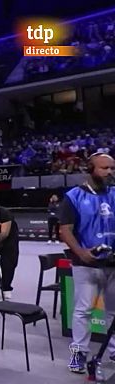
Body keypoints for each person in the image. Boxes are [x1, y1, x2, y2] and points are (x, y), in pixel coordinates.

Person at [59, 153, 115, 374]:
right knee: (83, 312)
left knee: (114, 311)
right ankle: (77, 356)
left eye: (112, 168)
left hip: (112, 265)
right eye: (105, 168)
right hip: (86, 265)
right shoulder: (73, 197)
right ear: (90, 169)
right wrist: (81, 253)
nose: (110, 172)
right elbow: (65, 230)